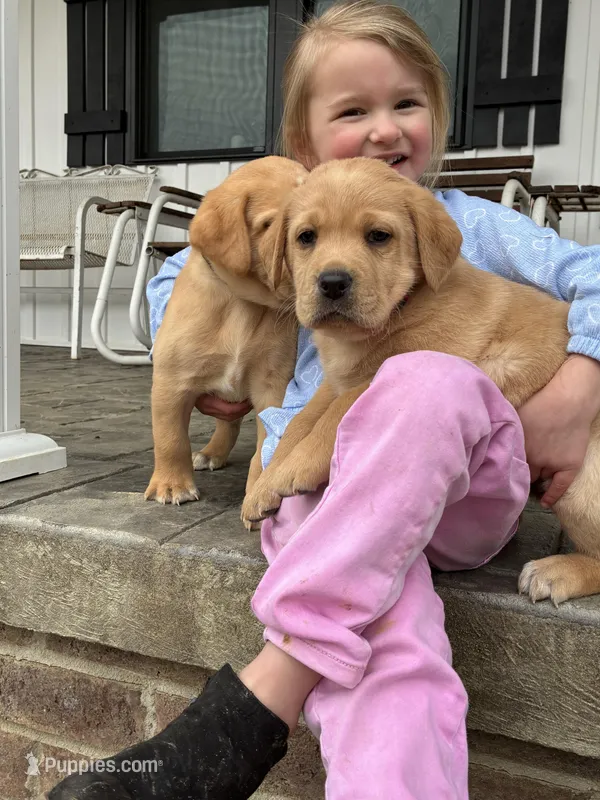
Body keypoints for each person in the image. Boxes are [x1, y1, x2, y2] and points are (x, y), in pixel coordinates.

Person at [49, 2, 600, 798]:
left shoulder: (467, 225)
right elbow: (189, 277)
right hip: (344, 523)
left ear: (437, 123)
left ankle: (261, 698)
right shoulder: (292, 224)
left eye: (405, 105)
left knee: (420, 380)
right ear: (302, 147)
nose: (384, 130)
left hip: (465, 493)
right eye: (352, 111)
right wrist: (212, 355)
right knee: (392, 637)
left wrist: (580, 382)